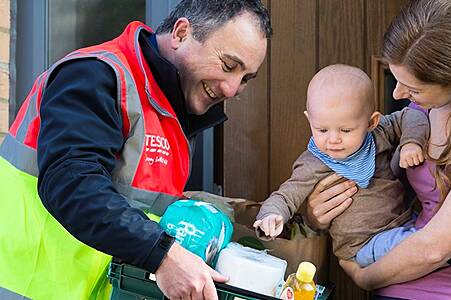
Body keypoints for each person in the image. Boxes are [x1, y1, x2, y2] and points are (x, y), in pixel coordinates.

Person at [0, 1, 271, 299]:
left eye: (245, 79)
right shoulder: (95, 76)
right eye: (229, 66)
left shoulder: (170, 113)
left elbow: (135, 207)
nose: (232, 89)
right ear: (181, 34)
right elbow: (71, 184)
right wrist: (163, 254)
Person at [305, 1, 451, 299]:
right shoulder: (425, 107)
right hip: (395, 276)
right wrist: (318, 213)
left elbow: (435, 248)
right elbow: (374, 183)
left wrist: (363, 277)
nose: (398, 95)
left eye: (413, 89)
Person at [253, 64, 451, 270]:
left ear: (371, 122)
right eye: (322, 129)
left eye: (346, 130)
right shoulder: (314, 161)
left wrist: (411, 142)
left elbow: (411, 117)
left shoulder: (380, 133)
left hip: (403, 222)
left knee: (418, 238)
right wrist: (271, 215)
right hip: (363, 245)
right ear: (310, 120)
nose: (333, 139)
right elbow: (286, 195)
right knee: (415, 245)